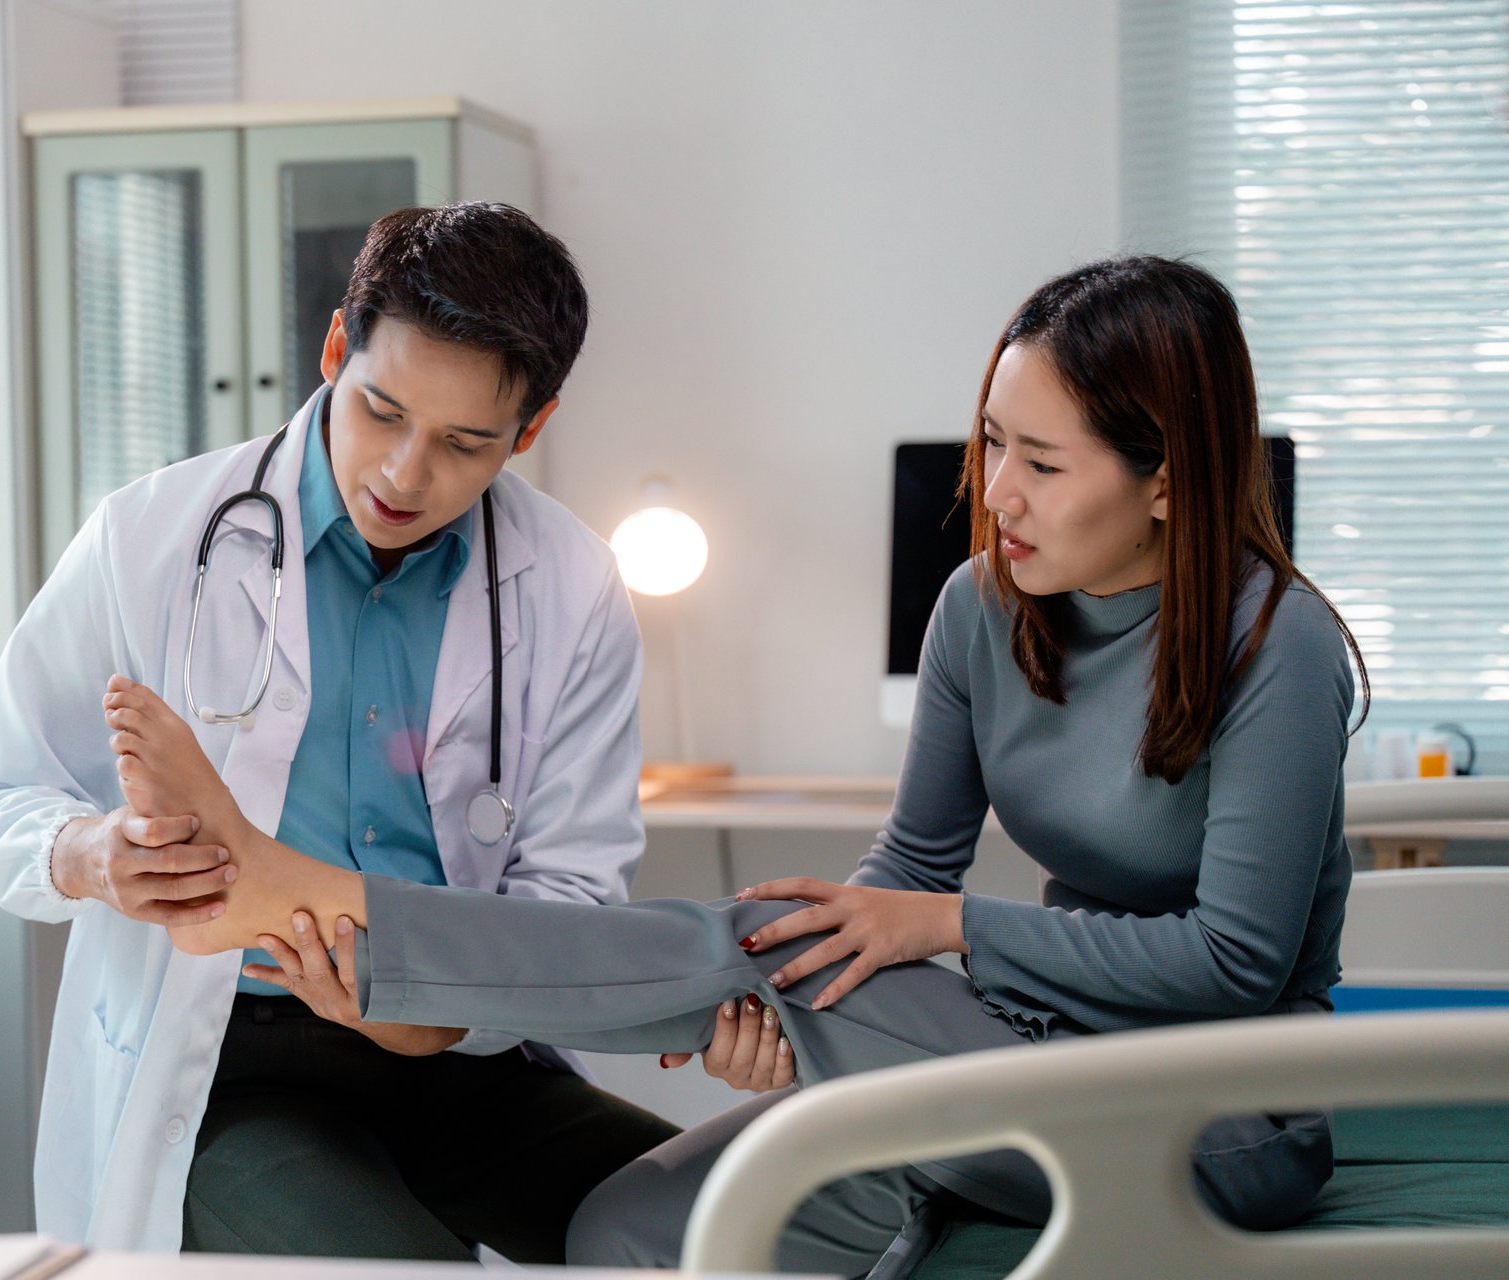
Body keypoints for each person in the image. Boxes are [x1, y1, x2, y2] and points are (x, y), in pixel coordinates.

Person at [100, 256, 1371, 1274]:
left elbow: (1231, 963)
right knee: (636, 1231)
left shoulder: (1281, 644)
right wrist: (803, 1016)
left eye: (1043, 464)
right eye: (992, 443)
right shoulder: (983, 609)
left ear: (1167, 483)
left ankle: (333, 917)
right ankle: (386, 939)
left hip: (1212, 1108)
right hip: (1012, 1054)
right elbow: (902, 874)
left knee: (771, 935)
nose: (999, 492)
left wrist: (935, 931)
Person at [0, 202, 679, 1260]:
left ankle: (287, 895)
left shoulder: (572, 587)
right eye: (380, 410)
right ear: (336, 347)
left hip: (462, 1048)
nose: (403, 472)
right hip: (234, 1064)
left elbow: (569, 905)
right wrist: (88, 856)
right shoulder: (151, 537)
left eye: (465, 442)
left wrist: (420, 1015)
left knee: (752, 1215)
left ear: (531, 428)